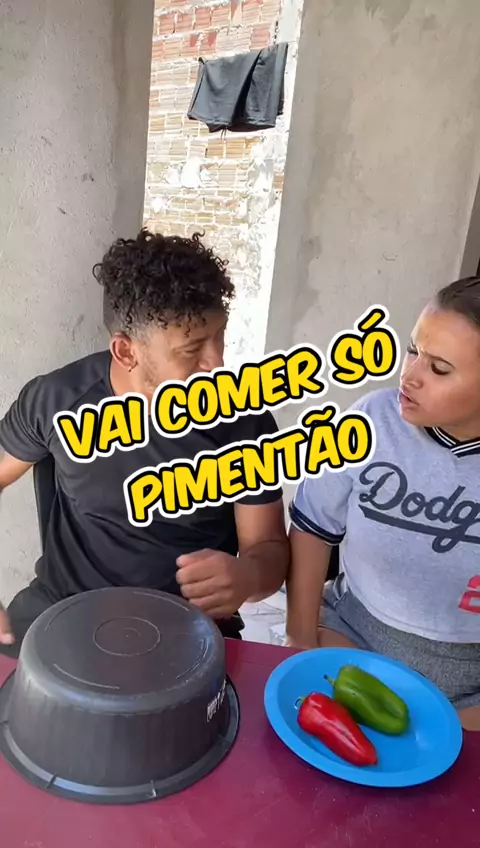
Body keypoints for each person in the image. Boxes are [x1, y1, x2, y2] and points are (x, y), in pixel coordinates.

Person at [0, 230, 288, 656]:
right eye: (192, 349)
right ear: (126, 351)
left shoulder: (243, 422)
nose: (217, 362)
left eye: (219, 335)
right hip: (61, 611)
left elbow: (269, 550)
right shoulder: (58, 400)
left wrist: (248, 576)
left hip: (186, 627)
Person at [286, 276, 480, 731]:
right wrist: (300, 637)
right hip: (350, 638)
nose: (409, 375)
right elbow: (312, 527)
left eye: (439, 368)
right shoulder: (370, 421)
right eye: (413, 350)